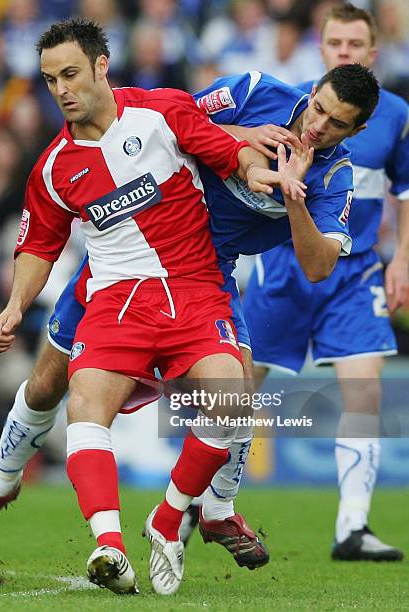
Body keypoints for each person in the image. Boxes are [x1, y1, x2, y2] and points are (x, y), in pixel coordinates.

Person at [0, 57, 382, 585]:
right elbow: (166, 118)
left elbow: (317, 267)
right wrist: (242, 134)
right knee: (44, 386)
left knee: (238, 391)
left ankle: (215, 512)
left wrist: (293, 194)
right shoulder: (252, 91)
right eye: (318, 109)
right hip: (129, 254)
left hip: (206, 273)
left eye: (336, 124)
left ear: (356, 131)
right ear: (312, 91)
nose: (318, 126)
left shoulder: (336, 178)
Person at [243, 3, 408, 561]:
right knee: (234, 391)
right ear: (322, 50)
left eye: (354, 45)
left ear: (371, 52)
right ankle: (196, 507)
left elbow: (404, 193)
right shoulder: (292, 105)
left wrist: (402, 257)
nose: (344, 52)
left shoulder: (396, 115)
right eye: (335, 43)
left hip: (355, 269)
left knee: (365, 389)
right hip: (285, 265)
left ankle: (352, 528)